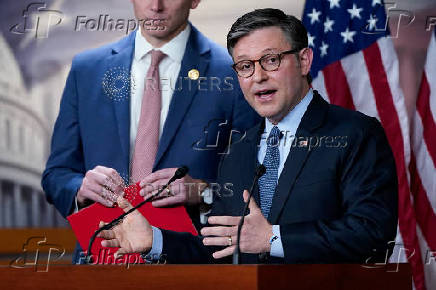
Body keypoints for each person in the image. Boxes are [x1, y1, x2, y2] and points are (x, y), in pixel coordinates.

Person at [97, 8, 398, 264]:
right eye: (245, 66)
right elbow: (222, 249)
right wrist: (156, 240)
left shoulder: (355, 134)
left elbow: (371, 235)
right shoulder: (239, 150)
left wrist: (272, 239)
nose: (258, 77)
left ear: (305, 61)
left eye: (271, 60)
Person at [41, 0, 259, 263]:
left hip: (189, 266)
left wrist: (203, 192)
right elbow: (56, 174)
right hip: (99, 262)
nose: (156, 6)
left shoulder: (233, 74)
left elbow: (258, 186)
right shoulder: (87, 70)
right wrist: (79, 189)